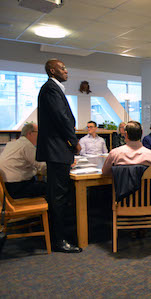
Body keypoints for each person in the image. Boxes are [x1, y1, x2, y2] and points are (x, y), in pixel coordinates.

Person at [36, 58, 82, 253]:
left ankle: (63, 235)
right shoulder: (50, 89)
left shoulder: (52, 88)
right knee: (59, 197)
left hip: (57, 150)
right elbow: (62, 118)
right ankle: (59, 240)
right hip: (57, 150)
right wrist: (74, 142)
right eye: (63, 68)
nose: (67, 71)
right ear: (52, 70)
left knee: (61, 195)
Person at [102, 121, 151, 186]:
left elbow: (105, 173)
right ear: (141, 133)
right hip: (146, 194)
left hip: (121, 194)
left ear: (126, 134)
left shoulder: (115, 153)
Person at [0, 123, 46, 199]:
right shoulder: (26, 145)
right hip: (18, 188)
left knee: (42, 184)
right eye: (38, 132)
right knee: (52, 188)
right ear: (30, 133)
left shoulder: (11, 144)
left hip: (6, 187)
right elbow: (42, 166)